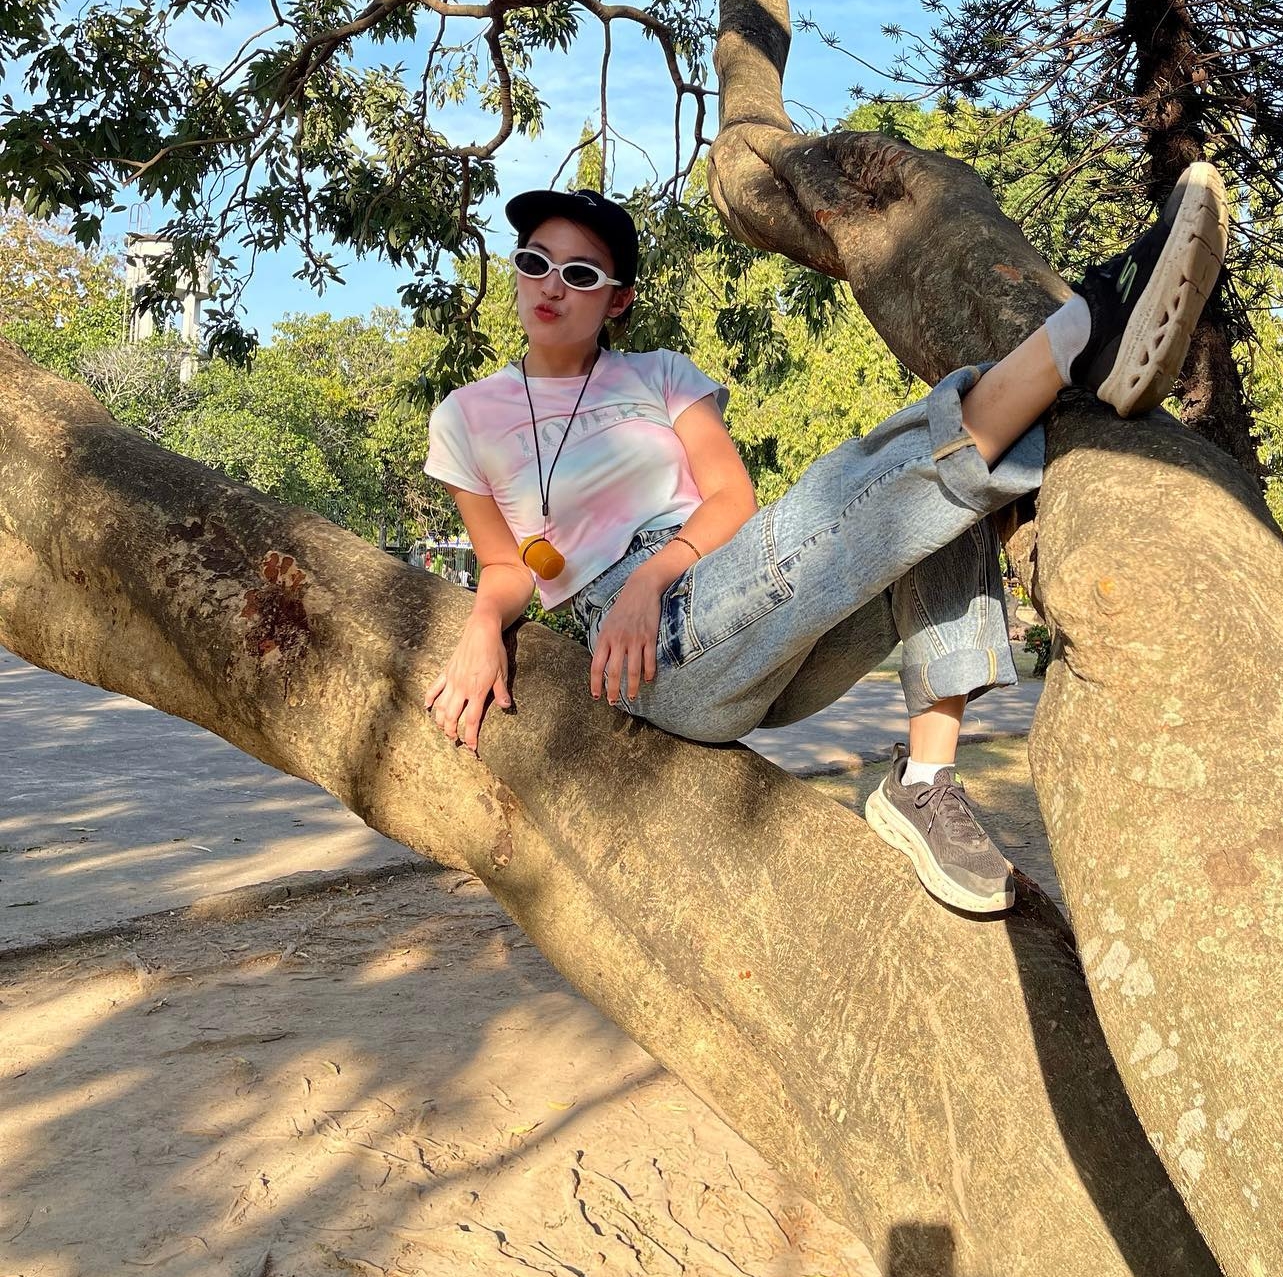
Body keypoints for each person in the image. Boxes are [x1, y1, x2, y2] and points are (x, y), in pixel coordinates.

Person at [423, 172, 1229, 914]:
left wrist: (655, 575)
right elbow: (503, 562)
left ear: (618, 299)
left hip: (720, 584)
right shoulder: (468, 416)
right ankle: (1086, 330)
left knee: (919, 519)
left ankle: (925, 782)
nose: (551, 285)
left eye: (580, 273)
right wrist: (483, 625)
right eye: (535, 262)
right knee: (878, 487)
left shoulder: (660, 375)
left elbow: (731, 499)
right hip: (647, 652)